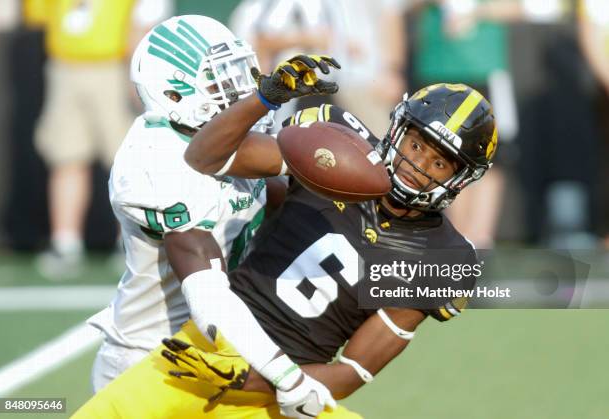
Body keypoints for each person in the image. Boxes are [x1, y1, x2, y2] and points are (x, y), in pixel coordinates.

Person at [73, 60, 497, 418]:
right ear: (398, 127)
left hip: (290, 392)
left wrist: (256, 378)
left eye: (439, 161)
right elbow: (205, 157)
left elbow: (350, 374)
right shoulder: (336, 145)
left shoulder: (443, 259)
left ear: (461, 179)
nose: (417, 163)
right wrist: (265, 97)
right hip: (208, 350)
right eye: (417, 143)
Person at [86, 15, 292, 395]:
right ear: (174, 94)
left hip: (216, 354)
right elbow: (209, 299)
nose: (242, 92)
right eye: (221, 81)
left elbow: (291, 188)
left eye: (241, 75)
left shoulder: (227, 145)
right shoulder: (154, 162)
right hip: (147, 363)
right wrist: (286, 376)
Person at [34, 0, 172, 278]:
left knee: (128, 160)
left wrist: (136, 70)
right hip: (66, 65)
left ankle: (131, 242)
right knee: (66, 157)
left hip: (113, 66)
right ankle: (65, 241)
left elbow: (145, 20)